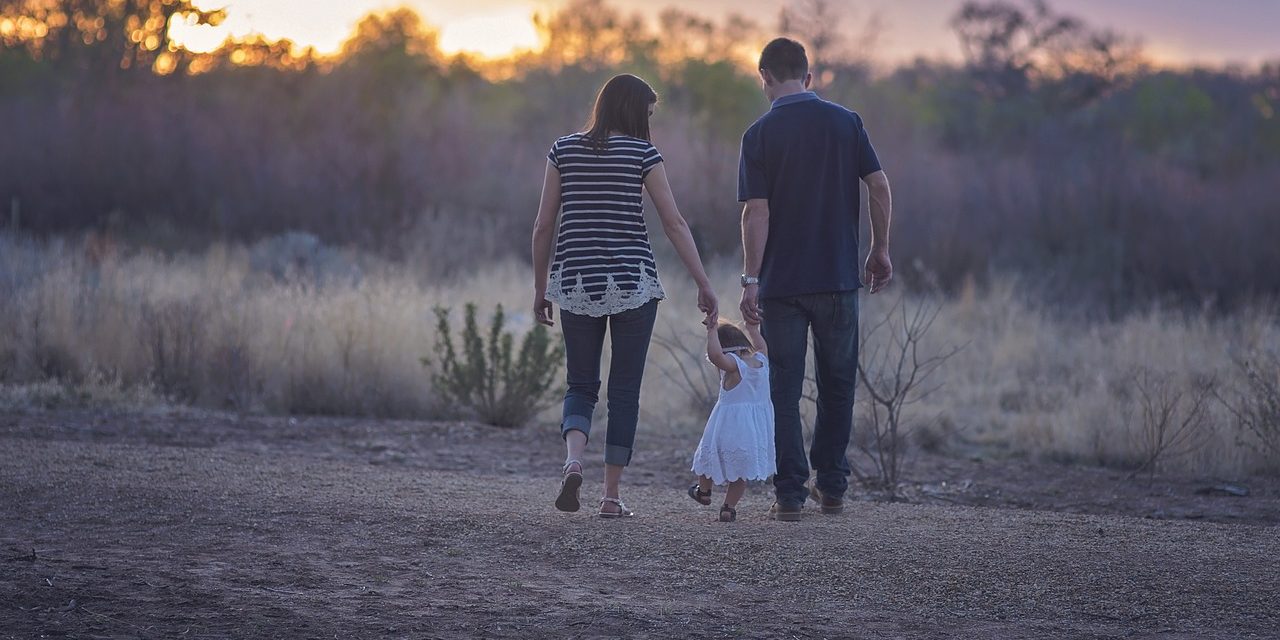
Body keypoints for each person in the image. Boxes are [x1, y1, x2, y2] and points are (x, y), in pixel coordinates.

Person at [531, 73, 718, 519]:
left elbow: (542, 226)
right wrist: (704, 282)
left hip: (575, 283)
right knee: (625, 391)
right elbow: (674, 224)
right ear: (635, 111)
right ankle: (610, 497)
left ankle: (574, 460)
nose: (650, 123)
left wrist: (541, 288)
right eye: (648, 114)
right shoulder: (643, 153)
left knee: (580, 384)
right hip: (633, 284)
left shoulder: (563, 150)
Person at [737, 38, 894, 521]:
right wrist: (880, 248)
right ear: (809, 76)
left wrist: (750, 278)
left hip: (782, 285)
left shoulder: (758, 134)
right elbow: (879, 185)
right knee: (838, 384)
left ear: (764, 77)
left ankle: (789, 495)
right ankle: (833, 487)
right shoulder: (846, 123)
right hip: (839, 279)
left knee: (783, 388)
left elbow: (755, 213)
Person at [687, 319, 775, 523]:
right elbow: (761, 345)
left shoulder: (734, 365)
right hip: (752, 431)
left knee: (708, 459)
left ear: (727, 351)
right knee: (740, 473)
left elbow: (717, 356)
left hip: (727, 427)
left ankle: (704, 492)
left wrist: (711, 332)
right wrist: (753, 329)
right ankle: (728, 508)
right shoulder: (761, 360)